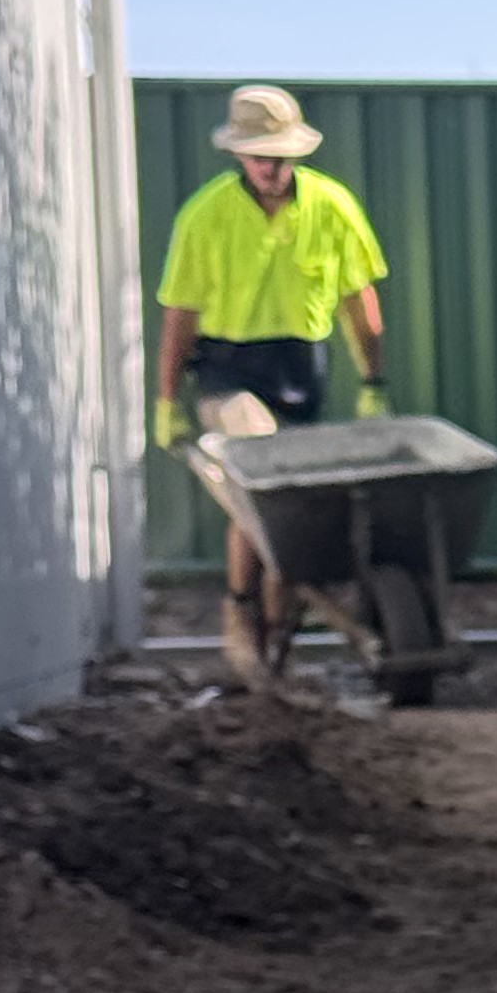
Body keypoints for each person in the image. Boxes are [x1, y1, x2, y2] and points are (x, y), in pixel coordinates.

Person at [151, 85, 392, 677]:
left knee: (286, 506)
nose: (271, 166)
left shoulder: (331, 208)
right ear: (238, 154)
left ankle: (275, 637)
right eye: (259, 154)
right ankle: (240, 615)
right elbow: (179, 314)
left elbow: (358, 299)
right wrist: (166, 400)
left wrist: (373, 381)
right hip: (228, 369)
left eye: (280, 154)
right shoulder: (204, 216)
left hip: (299, 367)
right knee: (263, 472)